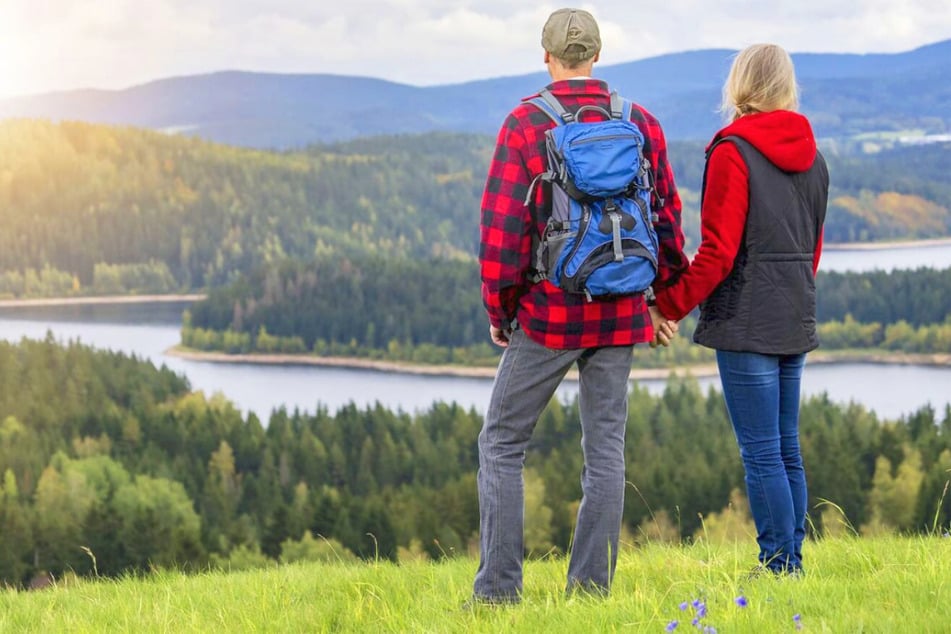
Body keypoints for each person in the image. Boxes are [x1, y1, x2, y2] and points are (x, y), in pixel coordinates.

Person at [473, 7, 687, 603]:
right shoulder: (639, 121)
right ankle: (590, 594)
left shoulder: (524, 124)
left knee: (502, 443)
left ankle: (497, 594)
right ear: (598, 55)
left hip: (548, 314)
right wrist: (662, 300)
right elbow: (666, 218)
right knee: (605, 454)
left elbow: (500, 236)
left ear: (546, 57)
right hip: (620, 311)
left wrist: (501, 311)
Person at [654, 43, 829, 575]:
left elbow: (717, 254)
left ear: (740, 85)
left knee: (761, 453)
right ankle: (791, 560)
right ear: (786, 86)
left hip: (746, 321)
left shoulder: (733, 152)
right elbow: (813, 249)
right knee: (785, 449)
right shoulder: (814, 156)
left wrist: (669, 304)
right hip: (794, 315)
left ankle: (780, 565)